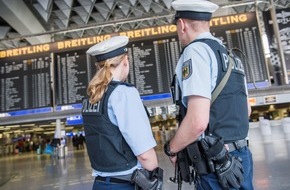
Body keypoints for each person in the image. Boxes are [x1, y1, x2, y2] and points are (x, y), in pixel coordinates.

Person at [163, 0, 254, 189]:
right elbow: (246, 110)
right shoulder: (231, 56)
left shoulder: (195, 52)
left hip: (215, 165)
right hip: (241, 158)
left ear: (182, 25)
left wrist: (171, 149)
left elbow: (197, 121)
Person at [82, 36, 161, 190]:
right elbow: (145, 154)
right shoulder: (123, 93)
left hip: (100, 183)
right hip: (125, 184)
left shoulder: (91, 97)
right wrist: (154, 180)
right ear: (125, 60)